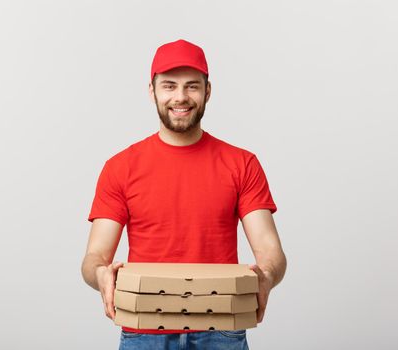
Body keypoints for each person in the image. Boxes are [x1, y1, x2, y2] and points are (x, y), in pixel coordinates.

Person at [81, 39, 287, 350]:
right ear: (152, 92)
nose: (180, 97)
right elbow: (94, 256)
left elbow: (271, 251)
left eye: (192, 86)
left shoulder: (242, 164)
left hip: (221, 329)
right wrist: (101, 275)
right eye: (169, 86)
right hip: (145, 330)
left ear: (208, 91)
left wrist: (267, 275)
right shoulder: (120, 167)